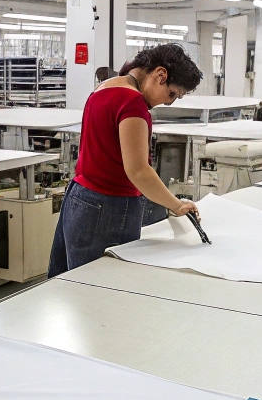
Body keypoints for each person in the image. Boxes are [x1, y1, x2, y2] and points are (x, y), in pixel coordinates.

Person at [48, 42, 203, 277]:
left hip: (79, 198)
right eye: (171, 94)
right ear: (160, 75)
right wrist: (177, 205)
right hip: (108, 208)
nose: (168, 102)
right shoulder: (133, 104)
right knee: (106, 288)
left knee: (76, 283)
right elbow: (139, 171)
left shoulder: (103, 88)